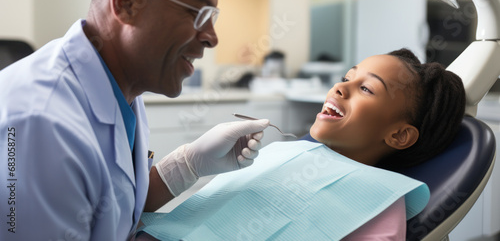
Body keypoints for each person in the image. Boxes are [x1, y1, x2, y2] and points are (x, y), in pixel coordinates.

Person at [0, 0, 270, 241]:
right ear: (127, 3)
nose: (212, 38)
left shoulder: (122, 83)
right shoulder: (40, 125)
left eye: (212, 17)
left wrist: (189, 164)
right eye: (197, 13)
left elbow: (114, 207)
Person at [136, 48, 466, 240]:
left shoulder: (379, 203)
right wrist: (186, 166)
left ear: (398, 135)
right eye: (348, 77)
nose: (339, 88)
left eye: (367, 89)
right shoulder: (282, 152)